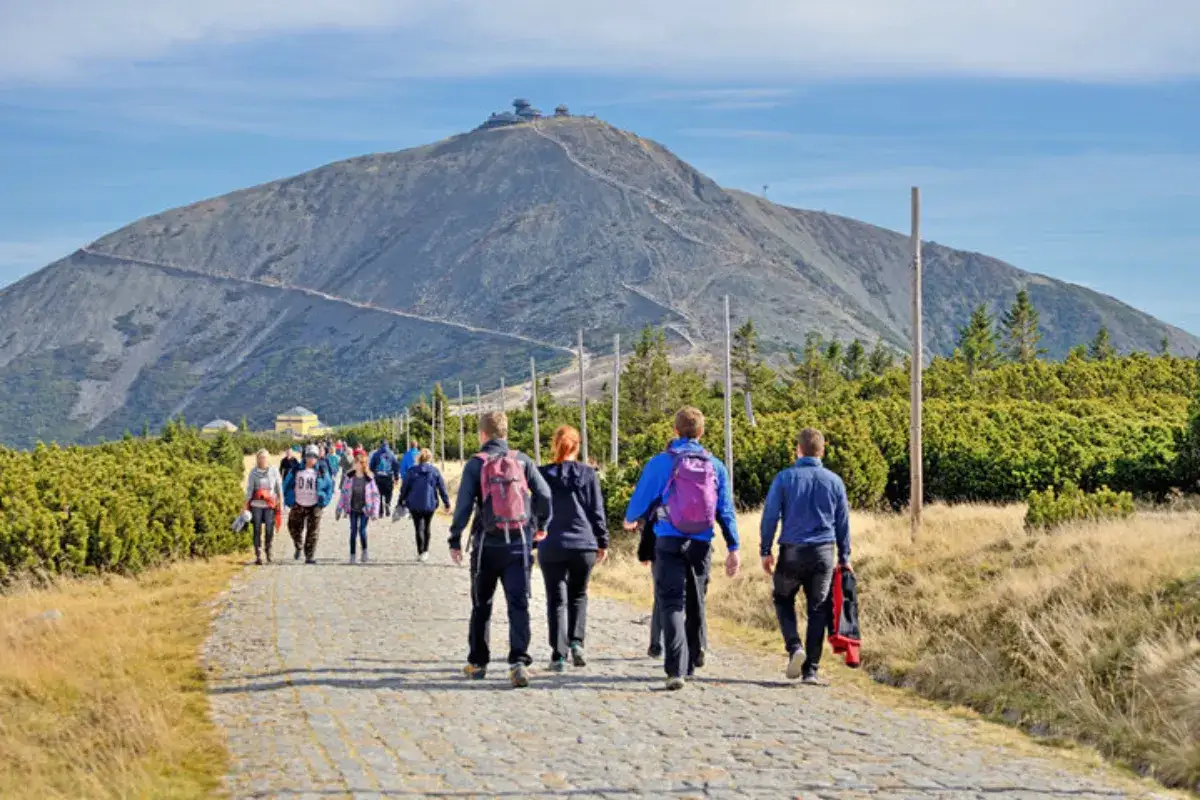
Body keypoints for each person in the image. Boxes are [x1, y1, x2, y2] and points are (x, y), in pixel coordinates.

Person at [623, 407, 740, 691]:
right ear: (701, 432)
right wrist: (733, 546)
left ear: (675, 431)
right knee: (696, 600)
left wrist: (631, 519)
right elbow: (725, 509)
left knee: (672, 602)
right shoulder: (716, 465)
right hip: (701, 541)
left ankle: (675, 669)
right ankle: (691, 663)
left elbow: (642, 498)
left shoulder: (662, 462)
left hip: (668, 539)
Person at [448, 410, 551, 688]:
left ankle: (478, 663)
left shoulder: (475, 464)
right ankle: (518, 662)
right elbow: (545, 494)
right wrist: (541, 525)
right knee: (519, 604)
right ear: (505, 433)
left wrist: (455, 538)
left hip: (486, 546)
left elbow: (464, 506)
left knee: (482, 605)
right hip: (518, 544)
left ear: (482, 434)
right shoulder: (522, 460)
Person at [760, 427, 852, 685]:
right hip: (824, 552)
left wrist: (765, 550)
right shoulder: (834, 481)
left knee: (782, 598)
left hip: (791, 550)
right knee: (818, 609)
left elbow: (770, 516)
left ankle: (794, 647)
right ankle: (811, 669)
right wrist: (845, 557)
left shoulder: (784, 478)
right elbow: (843, 522)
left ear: (798, 450)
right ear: (822, 451)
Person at [536, 425, 608, 672]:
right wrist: (603, 541)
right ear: (577, 446)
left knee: (556, 600)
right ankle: (577, 643)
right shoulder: (589, 474)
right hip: (583, 543)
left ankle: (558, 655)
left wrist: (534, 538)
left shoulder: (541, 473)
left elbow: (536, 509)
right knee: (578, 594)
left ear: (555, 445)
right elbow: (596, 511)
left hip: (552, 543)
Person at [283, 445, 334, 564]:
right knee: (292, 527)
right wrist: (288, 499)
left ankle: (309, 556)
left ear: (317, 458)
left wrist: (324, 501)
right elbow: (286, 484)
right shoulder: (296, 469)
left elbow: (329, 487)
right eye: (309, 456)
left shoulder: (321, 471)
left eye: (314, 456)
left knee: (313, 531)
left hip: (315, 505)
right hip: (298, 504)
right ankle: (298, 545)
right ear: (305, 457)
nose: (311, 459)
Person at [399, 447, 450, 562]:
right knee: (427, 527)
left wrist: (401, 501)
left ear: (419, 458)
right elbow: (442, 488)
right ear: (430, 458)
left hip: (414, 504)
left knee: (418, 528)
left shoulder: (411, 471)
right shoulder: (435, 471)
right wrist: (447, 503)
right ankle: (425, 551)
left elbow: (404, 488)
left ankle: (420, 552)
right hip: (430, 503)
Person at [337, 448, 381, 564]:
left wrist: (375, 512)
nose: (354, 465)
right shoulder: (349, 477)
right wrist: (339, 508)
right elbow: (344, 493)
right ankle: (352, 555)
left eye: (357, 463)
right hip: (352, 509)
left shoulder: (369, 478)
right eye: (354, 463)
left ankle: (365, 551)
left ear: (362, 465)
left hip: (365, 509)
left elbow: (376, 496)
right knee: (353, 532)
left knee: (362, 530)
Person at [245, 448, 283, 565]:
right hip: (257, 504)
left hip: (270, 504)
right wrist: (245, 504)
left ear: (268, 459)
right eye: (261, 458)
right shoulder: (253, 472)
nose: (263, 460)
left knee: (269, 528)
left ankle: (268, 548)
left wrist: (280, 502)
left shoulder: (274, 471)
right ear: (257, 459)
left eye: (265, 458)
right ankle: (258, 553)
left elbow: (278, 487)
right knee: (256, 528)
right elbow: (250, 489)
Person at [369, 440, 401, 517]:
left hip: (378, 477)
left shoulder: (376, 454)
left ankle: (380, 511)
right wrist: (396, 478)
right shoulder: (391, 454)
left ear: (380, 445)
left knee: (379, 494)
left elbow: (371, 466)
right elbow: (396, 466)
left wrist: (374, 472)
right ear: (388, 445)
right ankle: (387, 503)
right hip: (388, 477)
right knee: (389, 493)